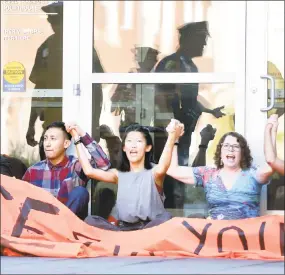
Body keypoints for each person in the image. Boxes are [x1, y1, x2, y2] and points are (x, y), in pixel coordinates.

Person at [154, 21, 225, 209]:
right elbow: (161, 96)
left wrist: (210, 110)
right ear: (188, 40)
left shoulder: (190, 65)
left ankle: (178, 210)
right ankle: (170, 213)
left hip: (184, 133)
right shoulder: (172, 63)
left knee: (181, 176)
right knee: (171, 177)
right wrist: (171, 129)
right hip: (171, 134)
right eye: (201, 40)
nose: (204, 45)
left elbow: (188, 97)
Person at [66, 120, 184, 231]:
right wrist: (77, 137)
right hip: (124, 229)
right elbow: (89, 171)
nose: (133, 146)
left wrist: (172, 136)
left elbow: (163, 165)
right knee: (91, 220)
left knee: (165, 218)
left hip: (150, 229)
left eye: (138, 141)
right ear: (124, 148)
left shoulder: (155, 171)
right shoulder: (118, 174)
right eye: (129, 141)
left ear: (148, 147)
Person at [26, 1, 104, 159]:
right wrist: (30, 125)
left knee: (83, 165)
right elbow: (39, 89)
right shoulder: (46, 48)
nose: (53, 24)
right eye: (50, 20)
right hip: (52, 118)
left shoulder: (83, 47)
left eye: (56, 20)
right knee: (48, 165)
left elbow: (95, 86)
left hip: (80, 120)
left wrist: (95, 121)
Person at [167, 119, 274, 220]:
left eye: (236, 146)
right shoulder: (208, 174)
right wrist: (174, 138)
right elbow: (172, 170)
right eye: (226, 145)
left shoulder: (253, 174)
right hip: (216, 236)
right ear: (220, 151)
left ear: (242, 153)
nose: (231, 149)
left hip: (247, 237)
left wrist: (270, 129)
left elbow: (271, 164)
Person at [22, 121, 111, 220]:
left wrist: (82, 135)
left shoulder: (77, 166)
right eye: (45, 138)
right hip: (42, 226)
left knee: (80, 192)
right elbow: (20, 202)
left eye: (53, 139)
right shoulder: (33, 171)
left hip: (70, 229)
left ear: (66, 143)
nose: (47, 144)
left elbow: (104, 165)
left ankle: (60, 225)